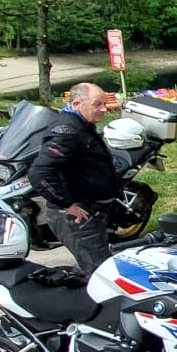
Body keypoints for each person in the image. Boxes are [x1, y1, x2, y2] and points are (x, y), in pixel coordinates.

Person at [28, 82, 123, 273]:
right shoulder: (68, 131)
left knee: (102, 266)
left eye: (104, 104)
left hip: (91, 210)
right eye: (97, 104)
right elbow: (40, 171)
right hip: (76, 217)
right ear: (77, 104)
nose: (104, 109)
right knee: (101, 272)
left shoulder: (82, 125)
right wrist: (66, 205)